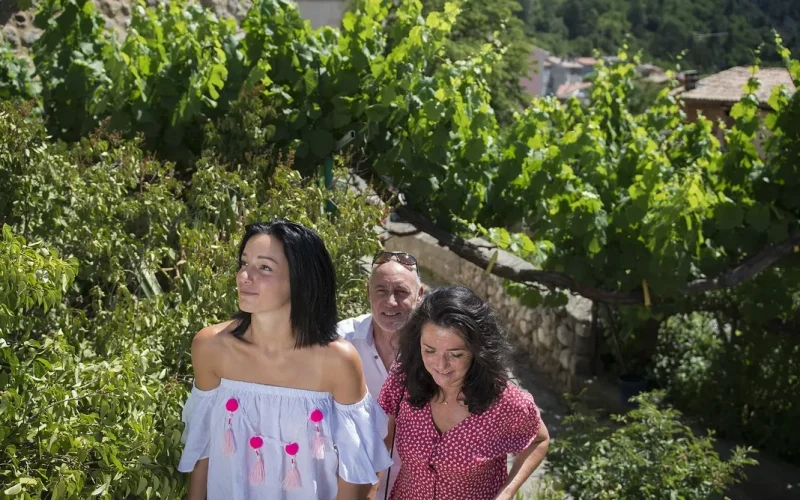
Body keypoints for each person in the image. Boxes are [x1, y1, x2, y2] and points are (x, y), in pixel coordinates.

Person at [179, 220, 392, 500]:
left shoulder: (337, 361)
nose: (245, 276)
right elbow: (202, 449)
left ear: (302, 279)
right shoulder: (211, 347)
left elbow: (357, 468)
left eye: (264, 267)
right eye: (244, 263)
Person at [378, 285, 550, 500]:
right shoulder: (402, 380)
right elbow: (381, 439)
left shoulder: (503, 400)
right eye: (429, 350)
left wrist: (506, 493)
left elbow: (539, 439)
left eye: (455, 354)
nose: (441, 364)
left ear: (478, 351)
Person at [337, 251, 424, 499]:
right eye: (381, 291)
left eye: (401, 292)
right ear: (368, 293)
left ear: (420, 294)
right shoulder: (340, 342)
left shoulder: (437, 350)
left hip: (416, 487)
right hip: (350, 484)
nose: (391, 302)